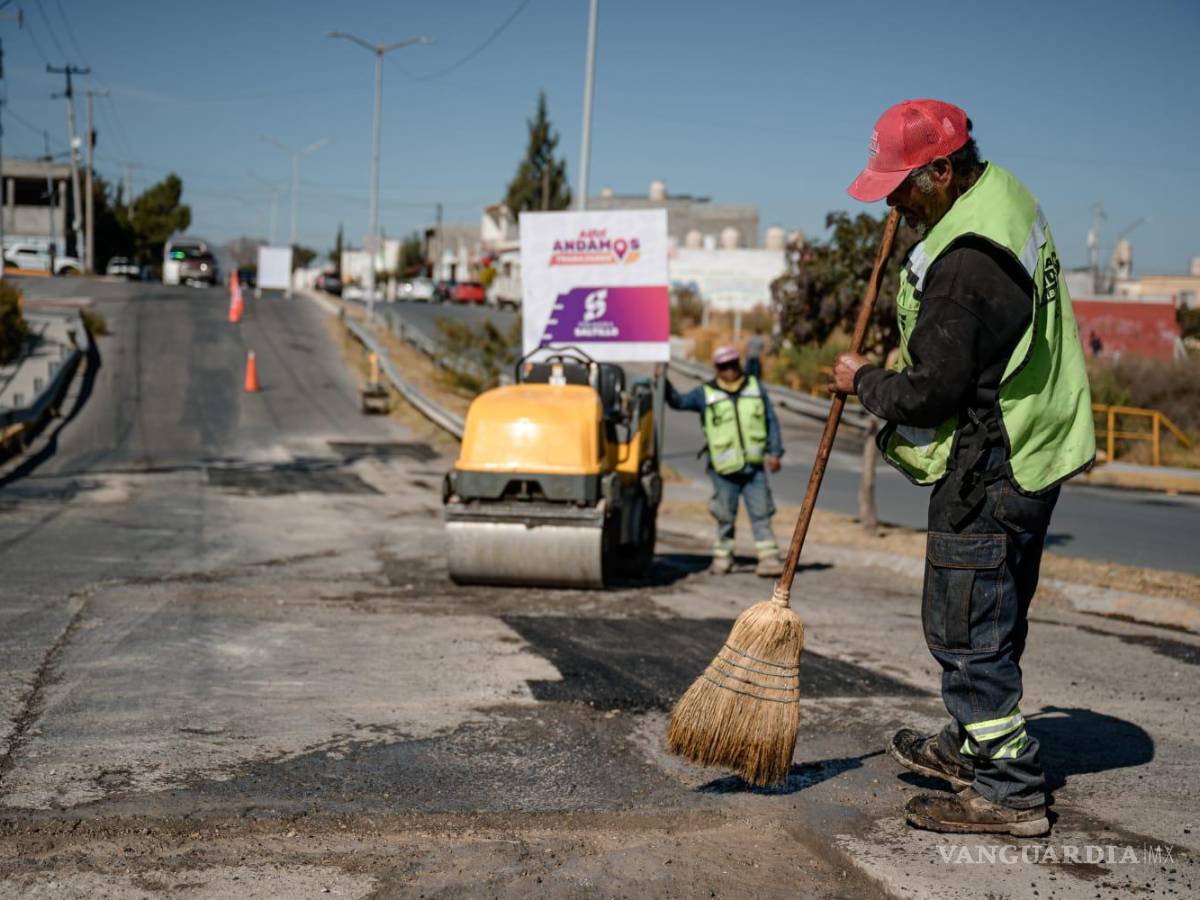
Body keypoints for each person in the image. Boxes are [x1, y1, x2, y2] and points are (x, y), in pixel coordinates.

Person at [833, 99, 1095, 836]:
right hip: (1036, 447)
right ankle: (973, 743)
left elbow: (933, 391)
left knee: (965, 629)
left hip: (992, 462)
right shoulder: (1001, 195)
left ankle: (1008, 791)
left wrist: (862, 381)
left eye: (902, 183)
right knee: (994, 611)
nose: (891, 199)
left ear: (943, 170)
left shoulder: (965, 266)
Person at [667, 344, 785, 577]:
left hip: (754, 468)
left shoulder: (755, 388)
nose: (729, 370)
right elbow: (678, 402)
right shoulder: (705, 394)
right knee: (724, 516)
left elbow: (771, 421)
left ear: (738, 364)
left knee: (761, 513)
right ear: (716, 368)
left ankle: (769, 559)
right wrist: (664, 383)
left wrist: (775, 452)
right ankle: (722, 559)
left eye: (732, 364)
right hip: (723, 471)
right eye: (723, 366)